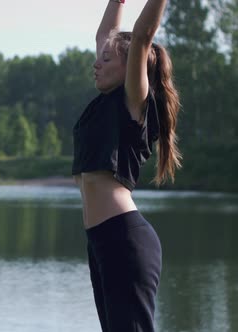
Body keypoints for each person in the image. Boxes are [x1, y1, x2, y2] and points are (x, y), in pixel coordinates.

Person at [71, 0, 181, 331]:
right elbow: (106, 34)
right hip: (101, 240)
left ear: (130, 68)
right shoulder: (103, 104)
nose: (96, 63)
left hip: (123, 239)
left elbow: (144, 36)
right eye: (98, 58)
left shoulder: (133, 103)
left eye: (106, 60)